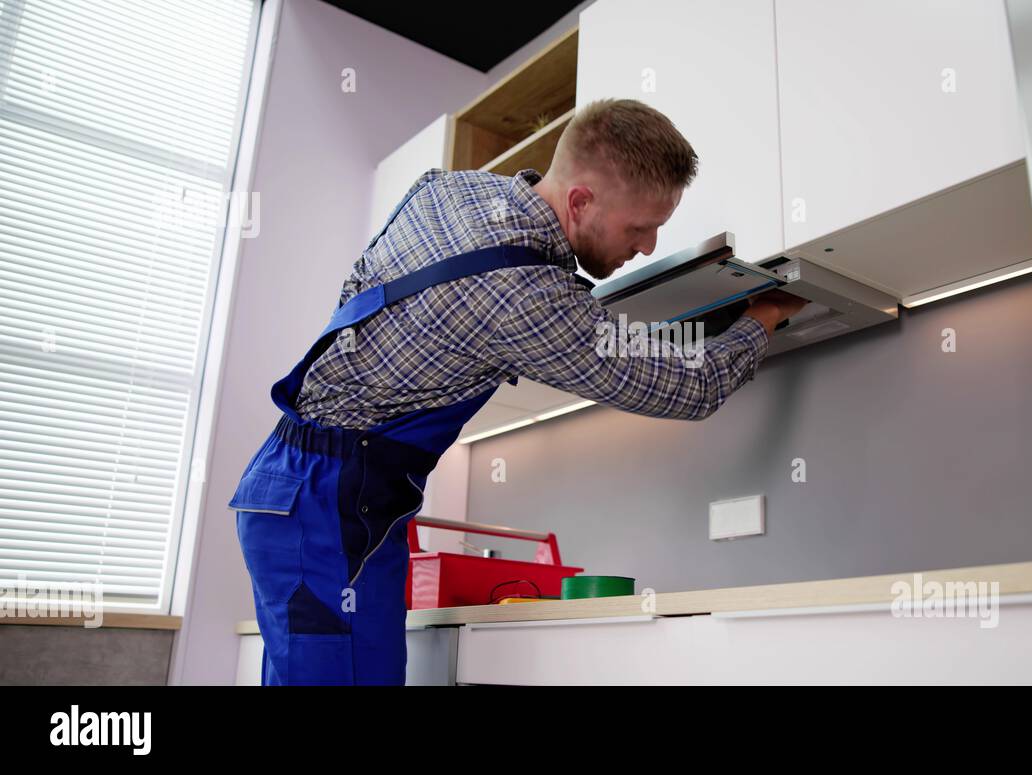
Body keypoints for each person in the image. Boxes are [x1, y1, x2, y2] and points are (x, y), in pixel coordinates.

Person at [229, 98, 807, 685]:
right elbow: (692, 385)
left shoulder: (446, 189)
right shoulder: (525, 296)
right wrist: (765, 315)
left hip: (307, 493)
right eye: (641, 228)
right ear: (580, 201)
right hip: (328, 509)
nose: (650, 246)